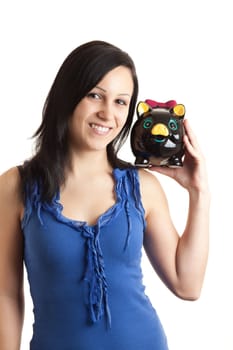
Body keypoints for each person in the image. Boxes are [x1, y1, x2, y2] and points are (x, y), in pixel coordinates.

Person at [0, 40, 210, 350]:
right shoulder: (15, 186)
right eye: (95, 95)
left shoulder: (142, 186)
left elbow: (187, 285)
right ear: (68, 96)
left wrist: (198, 192)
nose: (107, 113)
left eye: (121, 102)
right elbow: (5, 294)